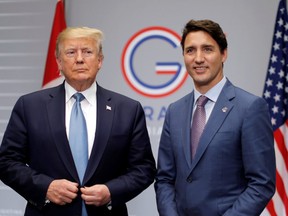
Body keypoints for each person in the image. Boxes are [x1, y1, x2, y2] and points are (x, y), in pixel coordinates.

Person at [0, 27, 156, 216]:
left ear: (100, 61)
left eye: (88, 52)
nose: (80, 59)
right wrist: (46, 187)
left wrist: (111, 192)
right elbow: (6, 162)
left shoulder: (127, 109)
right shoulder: (30, 106)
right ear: (58, 61)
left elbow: (144, 168)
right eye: (71, 52)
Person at [154, 19, 276, 215]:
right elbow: (165, 179)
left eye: (207, 49)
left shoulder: (250, 108)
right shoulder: (174, 111)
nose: (198, 58)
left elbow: (262, 184)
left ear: (224, 54)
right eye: (190, 50)